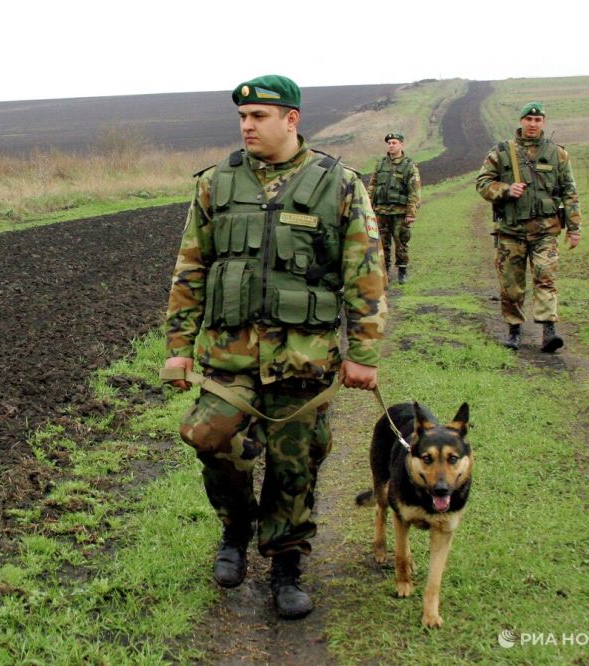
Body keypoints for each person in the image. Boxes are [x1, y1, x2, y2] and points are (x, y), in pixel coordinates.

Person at [161, 75, 387, 619]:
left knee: (295, 465)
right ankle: (236, 530)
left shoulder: (339, 185)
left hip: (303, 358)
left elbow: (365, 273)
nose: (247, 126)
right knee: (209, 438)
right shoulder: (216, 183)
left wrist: (363, 353)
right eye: (242, 118)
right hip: (228, 354)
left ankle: (286, 563)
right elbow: (191, 267)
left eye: (259, 117)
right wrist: (178, 346)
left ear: (291, 120)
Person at [476, 101, 582, 352]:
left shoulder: (557, 153)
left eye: (538, 120)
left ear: (543, 122)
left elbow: (570, 192)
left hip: (545, 231)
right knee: (511, 284)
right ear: (521, 121)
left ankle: (548, 331)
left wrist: (575, 228)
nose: (533, 124)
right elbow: (482, 183)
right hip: (511, 231)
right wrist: (504, 189)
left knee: (545, 277)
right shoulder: (501, 152)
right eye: (528, 120)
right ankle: (514, 330)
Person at [366, 131, 421, 284]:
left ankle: (402, 271)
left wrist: (411, 213)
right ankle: (385, 272)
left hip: (400, 212)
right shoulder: (381, 163)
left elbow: (414, 191)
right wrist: (368, 206)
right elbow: (372, 185)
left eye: (394, 143)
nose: (391, 145)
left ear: (401, 145)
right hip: (381, 211)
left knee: (401, 242)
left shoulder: (409, 165)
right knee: (381, 243)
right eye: (389, 143)